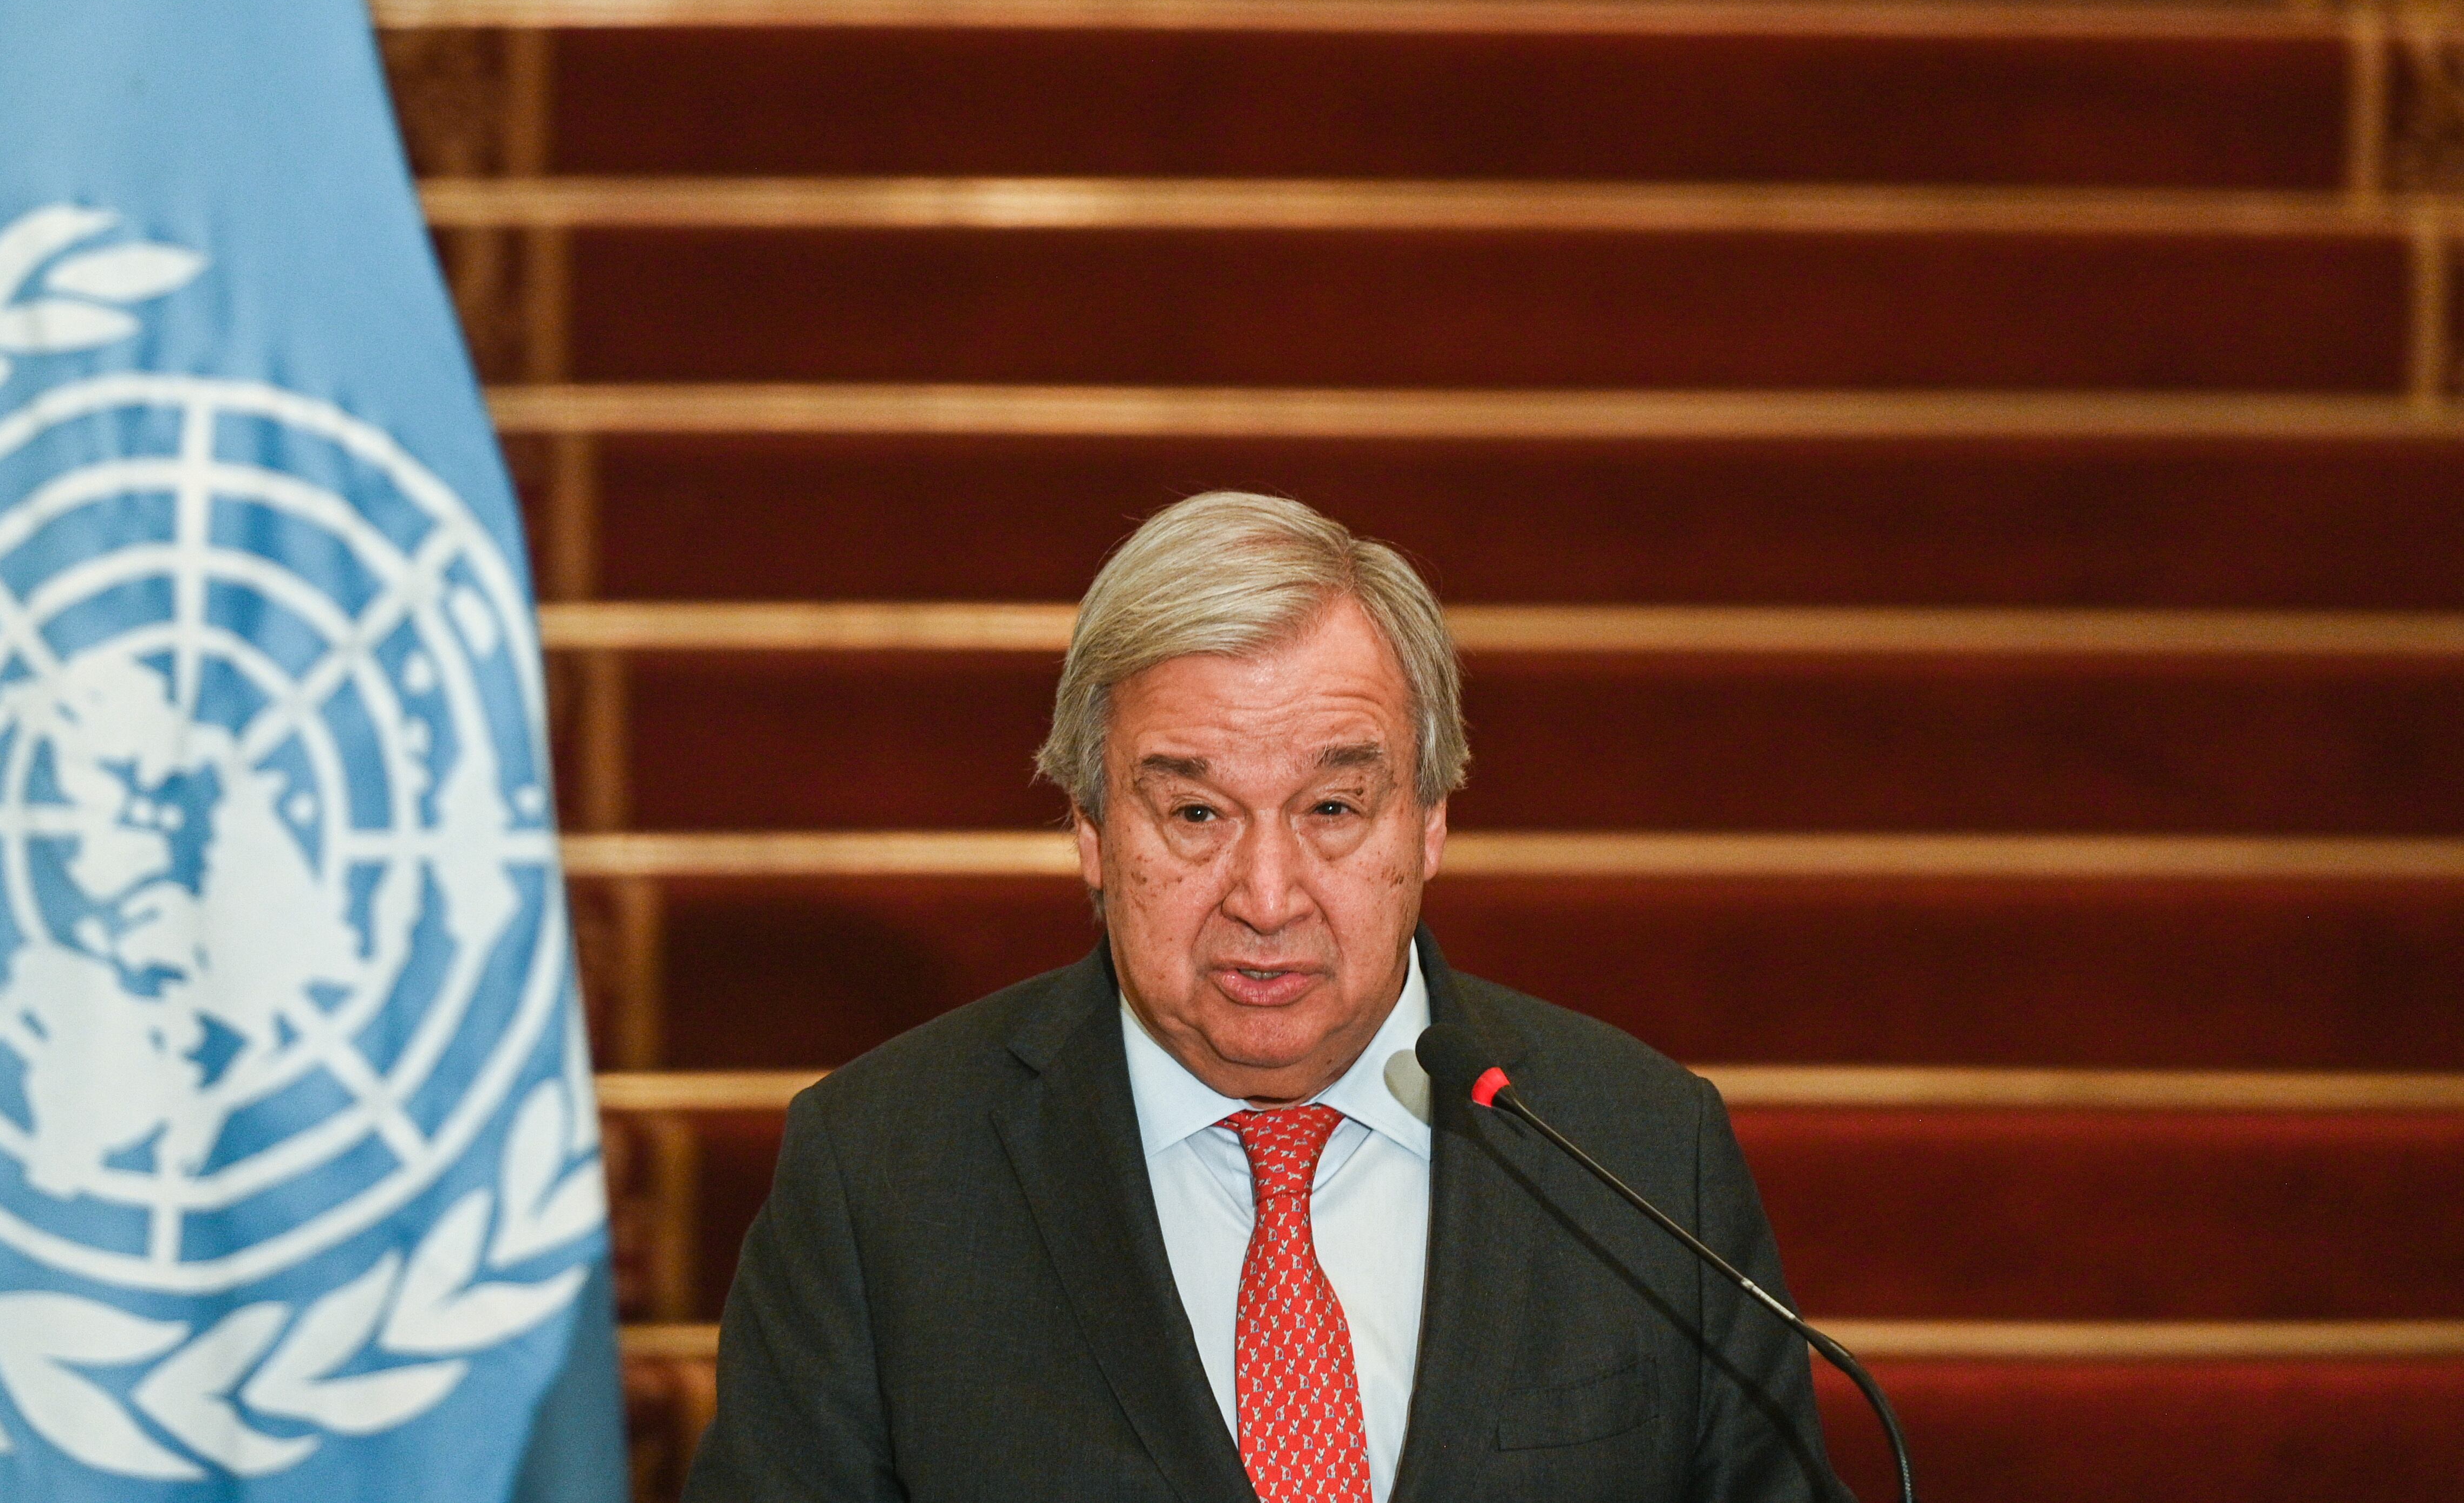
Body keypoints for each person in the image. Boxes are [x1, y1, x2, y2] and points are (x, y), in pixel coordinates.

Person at [681, 492, 1849, 1502]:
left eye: (1333, 809)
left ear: (1430, 819)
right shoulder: (878, 1171)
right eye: (1195, 813)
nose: (1267, 893)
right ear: (1089, 829)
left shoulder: (1640, 1147)